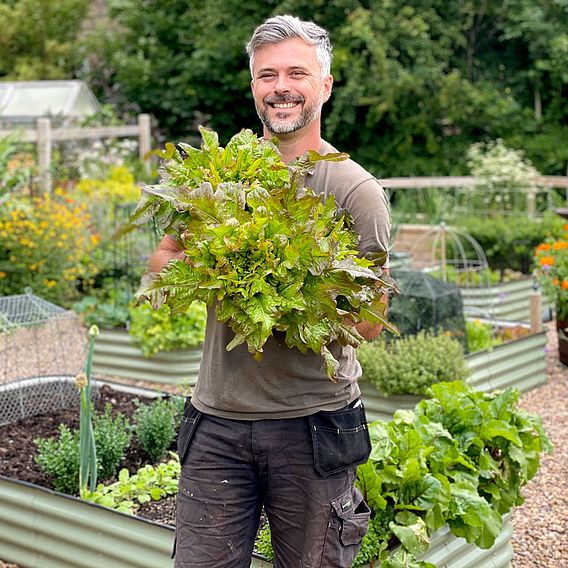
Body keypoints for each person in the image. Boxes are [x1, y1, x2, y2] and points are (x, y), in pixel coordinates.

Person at [148, 14, 391, 568]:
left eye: (297, 73)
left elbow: (370, 323)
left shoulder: (354, 191)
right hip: (216, 422)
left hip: (313, 427)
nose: (281, 86)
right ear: (254, 86)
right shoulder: (217, 175)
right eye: (267, 75)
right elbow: (162, 258)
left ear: (324, 86)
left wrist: (289, 295)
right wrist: (205, 279)